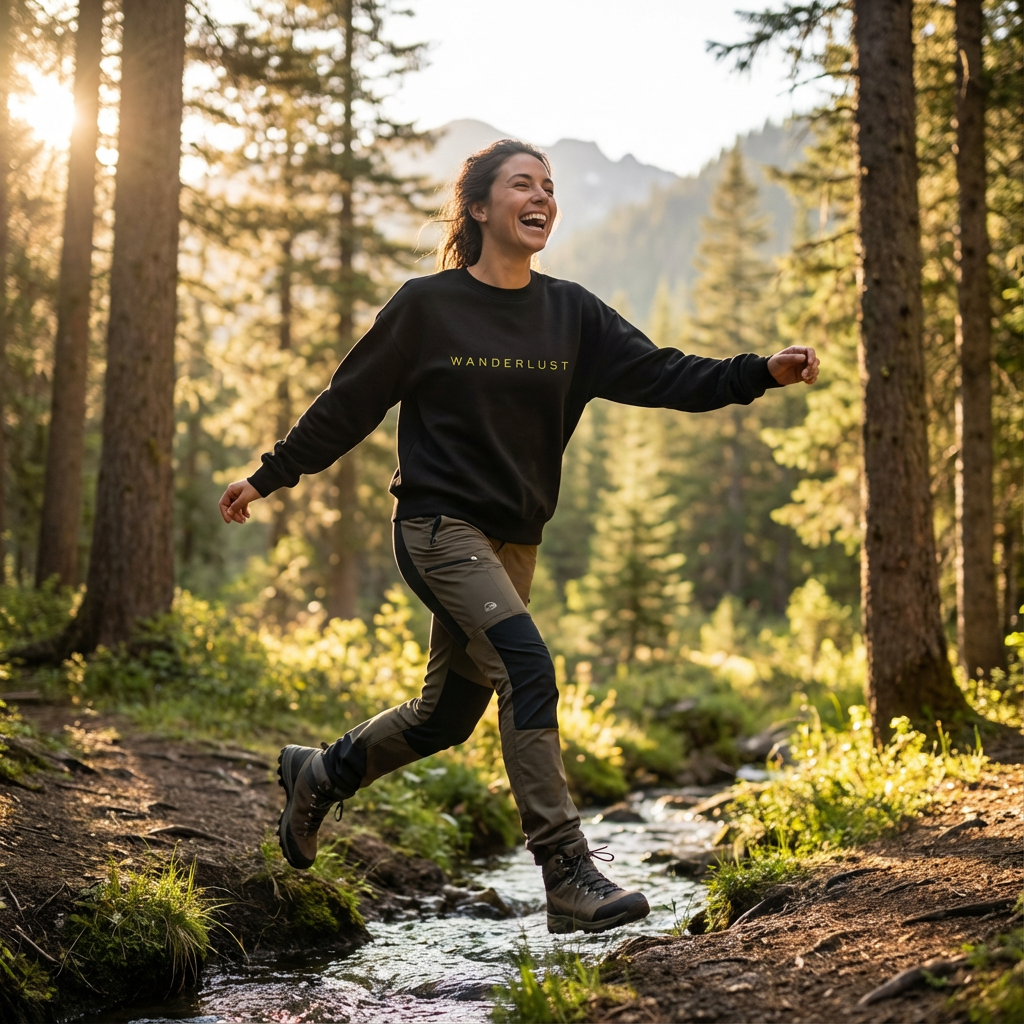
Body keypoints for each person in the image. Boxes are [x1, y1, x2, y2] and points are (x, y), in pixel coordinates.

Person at [218, 138, 819, 935]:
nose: (542, 197)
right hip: (437, 526)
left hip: (511, 544)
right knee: (528, 666)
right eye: (521, 184)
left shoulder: (570, 313)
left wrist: (757, 372)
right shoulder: (426, 306)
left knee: (446, 717)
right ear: (477, 208)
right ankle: (566, 869)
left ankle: (321, 772)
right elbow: (349, 403)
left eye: (550, 186)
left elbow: (668, 373)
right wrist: (270, 474)